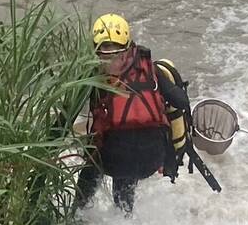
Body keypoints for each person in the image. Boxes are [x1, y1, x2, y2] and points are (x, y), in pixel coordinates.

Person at [74, 13, 191, 214]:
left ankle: (76, 216)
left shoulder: (92, 77)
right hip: (153, 159)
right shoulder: (151, 71)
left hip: (114, 160)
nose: (111, 62)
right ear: (129, 46)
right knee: (127, 169)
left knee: (97, 165)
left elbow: (66, 115)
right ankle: (125, 222)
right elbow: (181, 101)